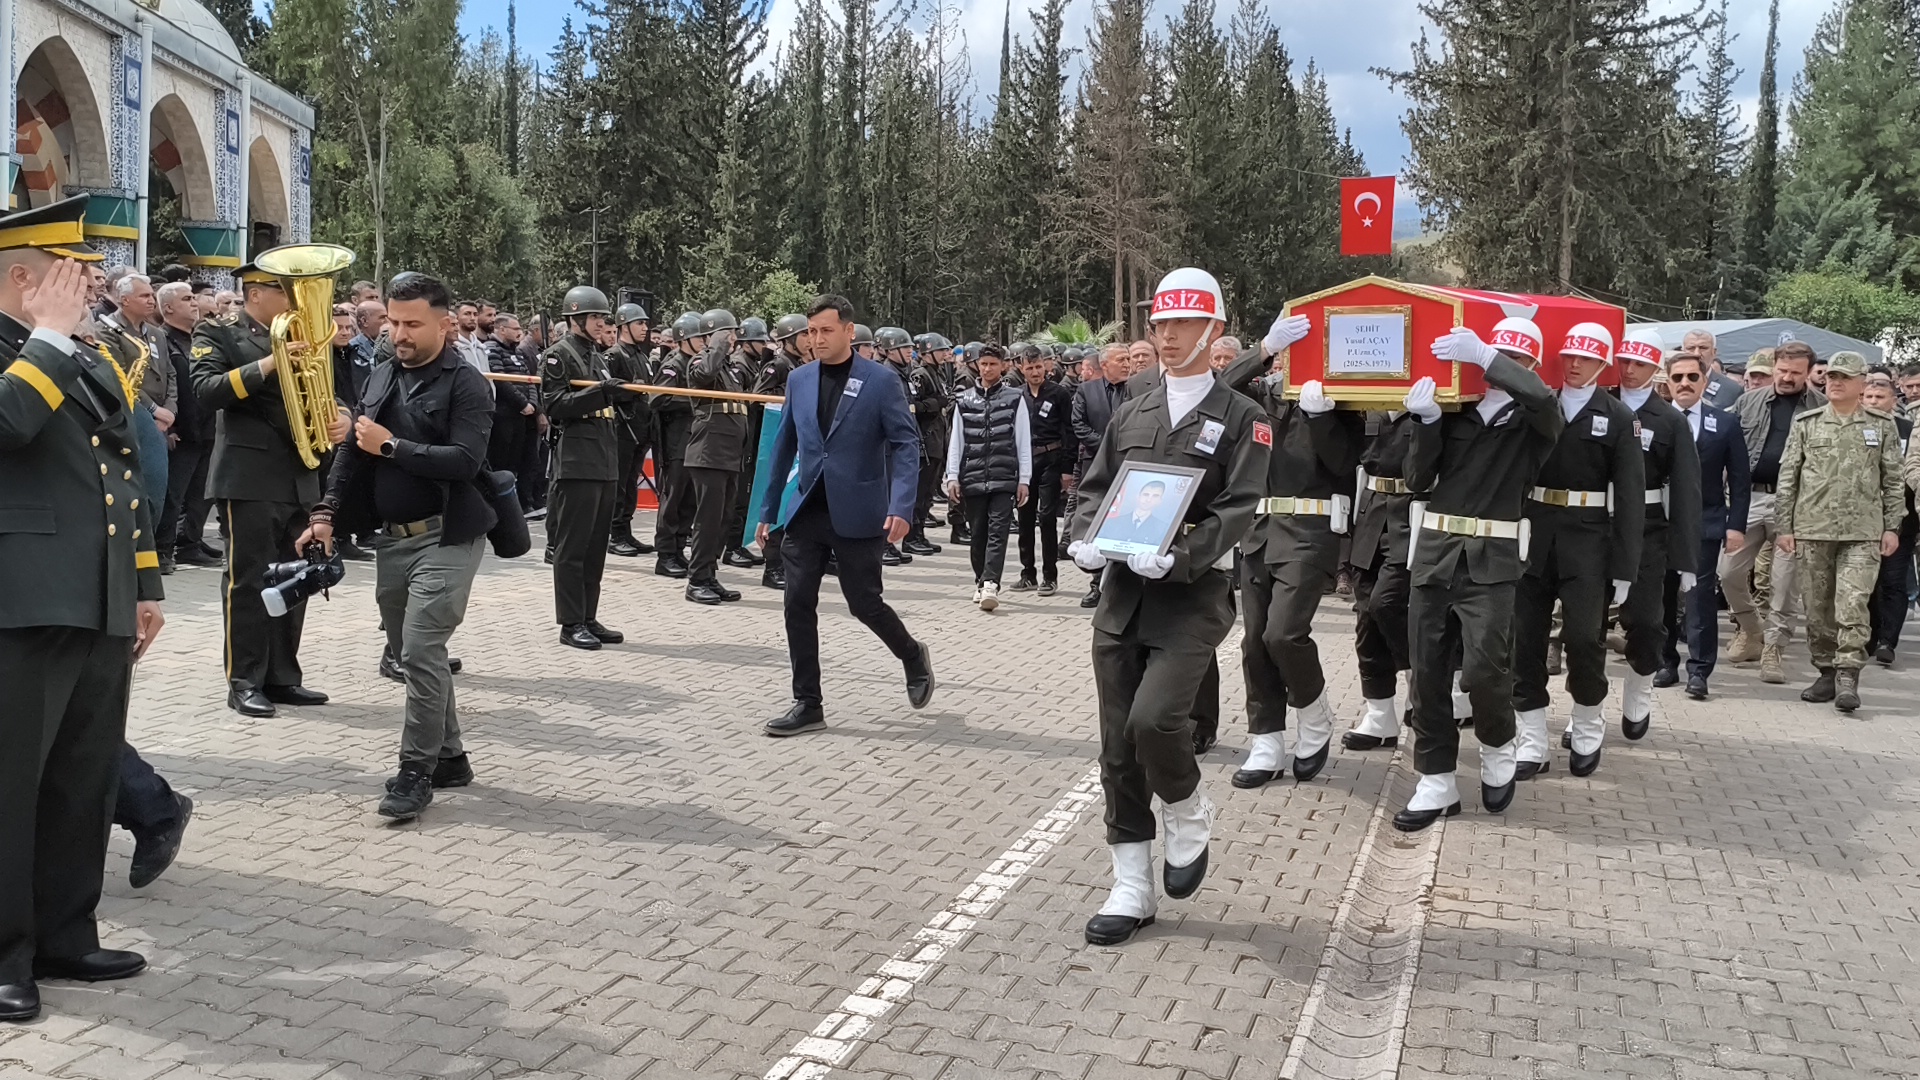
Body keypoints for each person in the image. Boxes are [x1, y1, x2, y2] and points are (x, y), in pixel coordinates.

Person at [1065, 268, 1268, 947]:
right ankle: (1131, 884)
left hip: (1192, 596)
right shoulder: (1134, 409)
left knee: (1155, 721)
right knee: (1117, 748)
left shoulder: (1244, 418)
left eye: (1184, 323)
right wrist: (1086, 537)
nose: (1169, 335)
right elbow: (1097, 487)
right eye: (1160, 324)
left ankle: (1185, 804)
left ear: (1214, 330)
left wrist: (1182, 555)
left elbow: (1240, 508)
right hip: (1123, 596)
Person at [0, 195, 167, 1022]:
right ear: (22, 279)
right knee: (11, 786)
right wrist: (48, 338)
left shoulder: (80, 349)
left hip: (96, 593)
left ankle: (66, 934)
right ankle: (4, 956)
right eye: (73, 274)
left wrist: (143, 583)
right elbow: (7, 424)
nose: (91, 287)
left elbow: (120, 467)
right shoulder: (43, 347)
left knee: (82, 778)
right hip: (19, 600)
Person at [300, 272, 493, 819]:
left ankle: (415, 772)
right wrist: (325, 513)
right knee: (413, 652)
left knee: (422, 648)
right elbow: (353, 451)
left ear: (445, 324)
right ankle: (450, 757)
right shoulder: (383, 372)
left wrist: (393, 447)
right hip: (392, 540)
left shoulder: (467, 383)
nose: (399, 334)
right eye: (393, 321)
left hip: (447, 535)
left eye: (412, 324)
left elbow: (466, 461)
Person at [1396, 318, 1560, 832]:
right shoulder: (1456, 408)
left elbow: (1541, 398)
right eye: (1497, 354)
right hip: (1436, 553)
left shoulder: (1536, 416)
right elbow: (1417, 479)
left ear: (1530, 365)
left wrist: (1489, 356)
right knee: (1427, 672)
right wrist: (1426, 422)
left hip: (1492, 560)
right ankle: (1436, 779)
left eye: (1515, 359)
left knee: (1486, 668)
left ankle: (1497, 743)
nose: (1503, 366)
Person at [757, 294, 935, 737]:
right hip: (806, 511)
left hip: (859, 510)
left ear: (849, 332)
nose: (816, 339)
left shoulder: (880, 381)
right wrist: (767, 510)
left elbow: (905, 445)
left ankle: (912, 654)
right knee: (797, 602)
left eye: (826, 330)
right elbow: (784, 447)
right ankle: (808, 703)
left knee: (864, 603)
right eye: (811, 332)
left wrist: (901, 506)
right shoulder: (799, 379)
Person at [191, 256, 349, 717]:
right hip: (249, 475)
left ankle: (282, 676)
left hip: (300, 473)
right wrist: (268, 363)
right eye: (285, 290)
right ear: (255, 293)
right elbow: (206, 390)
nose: (296, 299)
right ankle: (244, 680)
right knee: (249, 581)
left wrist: (341, 415)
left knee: (296, 577)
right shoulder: (218, 332)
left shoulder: (306, 335)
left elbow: (325, 390)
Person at [1511, 324, 1644, 779]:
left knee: (1585, 640)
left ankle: (1587, 719)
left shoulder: (1619, 417)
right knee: (1524, 640)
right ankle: (1531, 738)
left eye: (1586, 358)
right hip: (1534, 531)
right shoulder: (1539, 406)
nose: (1574, 364)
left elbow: (1630, 496)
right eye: (1569, 355)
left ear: (1603, 364)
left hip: (1588, 539)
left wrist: (1626, 566)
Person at [1779, 351, 1904, 712]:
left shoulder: (1882, 425)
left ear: (1862, 383)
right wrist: (1785, 526)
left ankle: (1848, 673)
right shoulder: (1807, 423)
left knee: (1852, 604)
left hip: (1863, 532)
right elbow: (1789, 478)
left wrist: (1892, 527)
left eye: (1845, 377)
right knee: (1818, 608)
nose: (1835, 382)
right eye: (1832, 376)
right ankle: (1826, 671)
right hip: (1813, 529)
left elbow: (1893, 480)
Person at [1610, 331, 1701, 741]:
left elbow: (1685, 491)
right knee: (1584, 627)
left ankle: (1639, 684)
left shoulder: (1670, 420)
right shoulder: (1597, 404)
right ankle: (1585, 707)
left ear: (1656, 370)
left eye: (1640, 364)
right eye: (1625, 361)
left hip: (1647, 528)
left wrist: (1686, 559)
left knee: (1647, 623)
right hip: (1595, 523)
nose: (1629, 370)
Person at [1725, 341, 1824, 681]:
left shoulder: (1822, 408)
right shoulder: (1748, 402)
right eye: (1782, 370)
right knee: (1728, 572)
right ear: (1774, 367)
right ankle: (1752, 629)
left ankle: (1773, 651)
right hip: (1750, 499)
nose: (1787, 377)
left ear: (1808, 373)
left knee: (1784, 586)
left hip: (1795, 506)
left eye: (1796, 372)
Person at [540, 285, 633, 649]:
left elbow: (605, 399)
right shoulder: (557, 355)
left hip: (604, 458)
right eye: (593, 317)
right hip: (577, 460)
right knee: (572, 546)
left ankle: (588, 615)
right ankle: (570, 621)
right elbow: (555, 405)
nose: (599, 323)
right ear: (574, 317)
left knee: (595, 547)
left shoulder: (598, 356)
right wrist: (601, 392)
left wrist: (621, 395)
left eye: (602, 318)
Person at [1660, 350, 1750, 700]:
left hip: (1705, 521)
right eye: (1677, 377)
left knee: (1699, 598)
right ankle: (1665, 662)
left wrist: (1736, 525)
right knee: (1662, 596)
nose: (1684, 383)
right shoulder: (1653, 419)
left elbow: (1740, 478)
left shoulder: (1724, 423)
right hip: (1660, 522)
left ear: (1705, 381)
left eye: (1692, 377)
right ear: (1668, 382)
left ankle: (1699, 670)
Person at [1344, 405, 1426, 752]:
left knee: (1387, 604)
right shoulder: (1370, 406)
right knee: (1366, 619)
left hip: (1411, 513)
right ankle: (1379, 716)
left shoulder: (1428, 407)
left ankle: (1420, 681)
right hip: (1372, 513)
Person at [945, 341, 1031, 610]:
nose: (988, 369)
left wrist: (1024, 479)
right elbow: (956, 441)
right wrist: (952, 476)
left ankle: (991, 582)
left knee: (998, 531)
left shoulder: (1015, 398)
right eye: (984, 364)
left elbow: (1023, 440)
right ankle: (980, 581)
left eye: (993, 364)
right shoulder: (964, 400)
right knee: (978, 533)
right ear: (977, 365)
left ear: (1003, 366)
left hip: (1004, 476)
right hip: (972, 475)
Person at [683, 309, 753, 604]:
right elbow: (704, 375)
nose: (733, 338)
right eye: (728, 333)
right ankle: (697, 579)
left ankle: (710, 574)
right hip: (708, 453)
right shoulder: (701, 361)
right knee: (708, 520)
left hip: (729, 454)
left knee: (723, 519)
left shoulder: (729, 369)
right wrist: (716, 345)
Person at [1070, 344, 1131, 608]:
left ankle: (1122, 583)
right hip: (1095, 464)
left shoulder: (1136, 390)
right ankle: (1096, 584)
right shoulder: (1086, 390)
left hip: (1129, 464)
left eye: (1128, 359)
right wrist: (1107, 445)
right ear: (1104, 365)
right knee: (1098, 522)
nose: (1127, 364)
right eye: (1121, 360)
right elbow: (1078, 424)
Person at [754, 314, 808, 590]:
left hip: (800, 443)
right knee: (778, 502)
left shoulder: (801, 365)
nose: (809, 340)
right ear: (789, 339)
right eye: (804, 335)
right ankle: (772, 566)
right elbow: (760, 398)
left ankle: (788, 563)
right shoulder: (778, 365)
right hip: (780, 442)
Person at [1014, 342, 1072, 594]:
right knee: (1025, 518)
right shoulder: (1017, 396)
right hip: (1026, 464)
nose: (1035, 372)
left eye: (1038, 366)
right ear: (1022, 369)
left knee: (1047, 517)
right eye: (1030, 368)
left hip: (1052, 460)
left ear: (1046, 366)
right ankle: (1028, 573)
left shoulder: (1059, 394)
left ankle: (1050, 575)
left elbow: (1069, 431)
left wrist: (1067, 469)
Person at [1865, 373, 1915, 664]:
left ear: (1893, 401)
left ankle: (1888, 641)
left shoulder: (1908, 430)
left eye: (1879, 397)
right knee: (1867, 582)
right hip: (1863, 518)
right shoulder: (1855, 428)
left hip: (1900, 519)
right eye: (1869, 397)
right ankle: (1868, 637)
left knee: (1893, 580)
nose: (1873, 402)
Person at [650, 313, 703, 576]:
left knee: (689, 500)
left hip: (694, 440)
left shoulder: (697, 364)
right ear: (684, 338)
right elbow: (657, 399)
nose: (703, 341)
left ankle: (679, 548)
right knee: (673, 499)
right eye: (698, 337)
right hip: (676, 442)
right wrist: (693, 402)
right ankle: (666, 554)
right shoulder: (674, 364)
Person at [604, 303, 656, 558]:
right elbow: (607, 392)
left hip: (640, 427)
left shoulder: (640, 355)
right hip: (622, 428)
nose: (645, 328)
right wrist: (631, 390)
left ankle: (625, 530)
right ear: (624, 326)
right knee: (620, 483)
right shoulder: (613, 356)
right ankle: (615, 533)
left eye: (645, 323)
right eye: (639, 323)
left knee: (631, 482)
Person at [905, 333, 954, 557]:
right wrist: (936, 403)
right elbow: (914, 407)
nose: (945, 354)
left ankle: (920, 533)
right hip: (925, 439)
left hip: (936, 439)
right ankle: (911, 536)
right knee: (919, 492)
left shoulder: (937, 373)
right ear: (928, 353)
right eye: (940, 350)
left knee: (927, 493)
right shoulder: (920, 375)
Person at [1679, 329, 1742, 409]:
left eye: (1703, 348)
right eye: (1691, 348)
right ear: (1682, 353)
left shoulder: (1732, 389)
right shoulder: (1669, 386)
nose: (1697, 354)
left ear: (1714, 352)